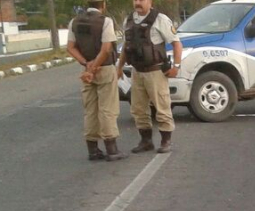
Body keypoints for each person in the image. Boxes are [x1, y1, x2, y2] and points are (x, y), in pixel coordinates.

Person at [117, 0, 183, 154]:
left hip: (155, 71)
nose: (138, 3)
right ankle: (146, 141)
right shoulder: (129, 20)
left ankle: (166, 141)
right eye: (135, 0)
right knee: (138, 109)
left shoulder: (160, 19)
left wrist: (176, 67)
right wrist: (119, 67)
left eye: (142, 0)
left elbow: (176, 44)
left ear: (150, 1)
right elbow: (127, 47)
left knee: (162, 107)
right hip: (137, 71)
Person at [68, 0, 126, 162]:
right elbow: (106, 48)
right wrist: (95, 65)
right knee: (108, 108)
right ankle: (112, 149)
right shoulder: (105, 22)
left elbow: (70, 47)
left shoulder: (75, 21)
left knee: (90, 109)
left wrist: (87, 65)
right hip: (104, 68)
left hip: (86, 70)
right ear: (104, 4)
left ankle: (93, 150)